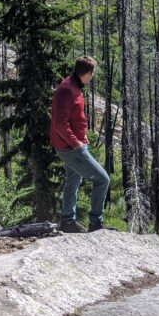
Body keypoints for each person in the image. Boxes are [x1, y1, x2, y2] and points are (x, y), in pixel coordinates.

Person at [50, 55, 111, 233]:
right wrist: (76, 142)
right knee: (102, 180)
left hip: (72, 144)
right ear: (89, 73)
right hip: (70, 148)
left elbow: (73, 119)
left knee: (73, 179)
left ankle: (68, 220)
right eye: (93, 73)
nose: (92, 77)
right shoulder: (67, 90)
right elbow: (60, 123)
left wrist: (82, 138)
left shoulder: (74, 86)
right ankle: (96, 223)